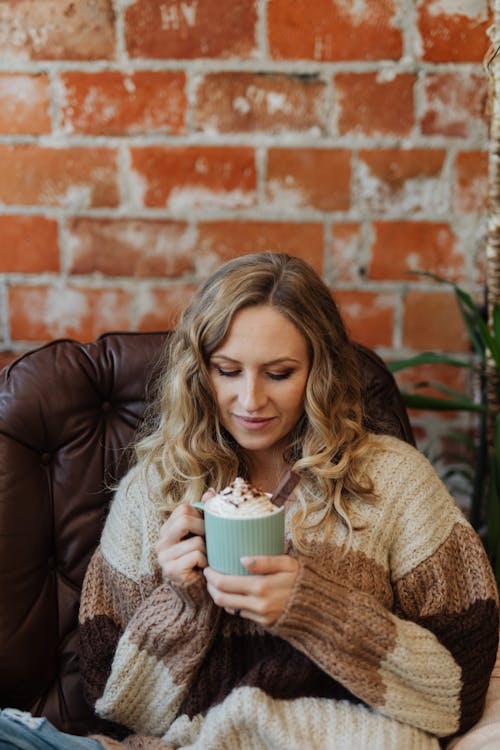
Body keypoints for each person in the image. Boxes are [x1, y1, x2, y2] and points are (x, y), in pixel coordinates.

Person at [1, 252, 498, 750]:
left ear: (319, 371)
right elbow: (115, 706)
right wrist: (181, 603)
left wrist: (313, 608)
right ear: (200, 371)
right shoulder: (156, 488)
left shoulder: (392, 480)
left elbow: (458, 690)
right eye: (227, 370)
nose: (250, 400)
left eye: (279, 373)